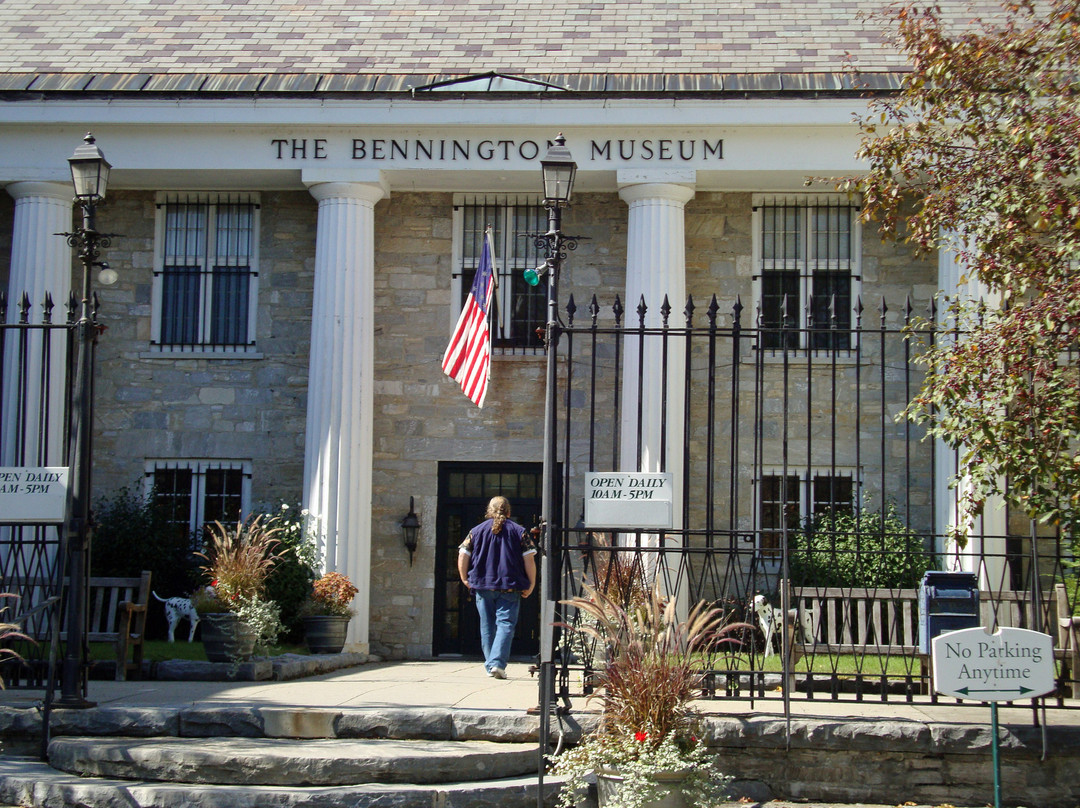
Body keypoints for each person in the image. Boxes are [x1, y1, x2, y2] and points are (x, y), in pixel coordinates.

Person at [457, 496, 537, 679]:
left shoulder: (476, 531)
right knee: (506, 625)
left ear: (489, 511)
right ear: (509, 512)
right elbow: (529, 560)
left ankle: (491, 665)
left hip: (483, 586)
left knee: (487, 627)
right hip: (510, 586)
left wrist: (464, 578)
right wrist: (531, 583)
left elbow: (463, 555)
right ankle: (498, 664)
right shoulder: (519, 532)